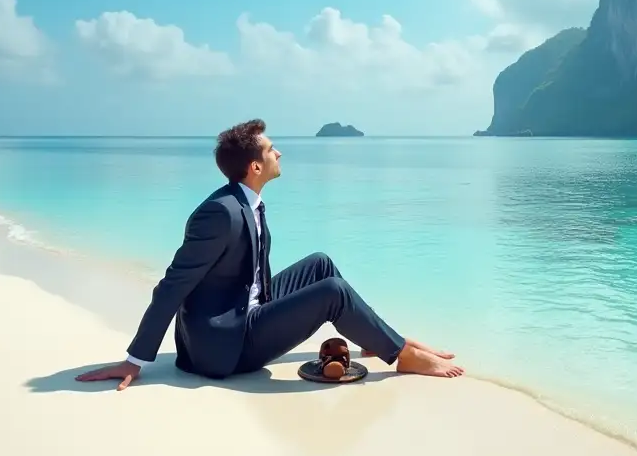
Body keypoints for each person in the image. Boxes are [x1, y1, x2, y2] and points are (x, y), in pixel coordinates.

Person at [76, 119, 463, 389]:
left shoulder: (249, 203)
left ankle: (377, 339)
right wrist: (136, 360)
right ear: (255, 165)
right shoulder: (220, 213)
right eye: (272, 148)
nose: (280, 152)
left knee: (320, 263)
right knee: (332, 291)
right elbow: (172, 286)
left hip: (247, 311)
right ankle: (401, 355)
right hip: (224, 348)